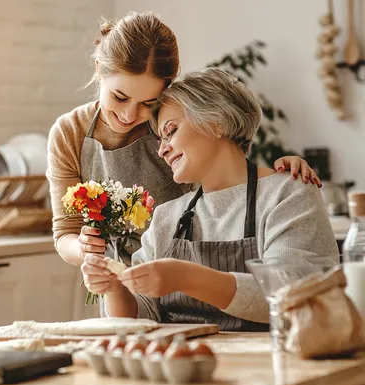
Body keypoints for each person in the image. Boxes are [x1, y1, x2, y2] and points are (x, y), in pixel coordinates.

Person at [47, 12, 321, 317]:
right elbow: (67, 233)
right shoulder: (165, 218)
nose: (128, 115)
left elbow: (227, 172)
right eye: (120, 97)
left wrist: (278, 175)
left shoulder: (285, 196)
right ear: (99, 70)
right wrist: (105, 274)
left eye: (149, 106)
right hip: (135, 299)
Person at [83, 68, 339, 330]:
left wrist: (185, 276)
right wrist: (114, 288)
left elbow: (292, 294)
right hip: (187, 365)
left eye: (171, 131)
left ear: (216, 122)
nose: (162, 149)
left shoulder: (287, 194)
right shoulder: (166, 217)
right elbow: (142, 316)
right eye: (160, 139)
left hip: (274, 363)